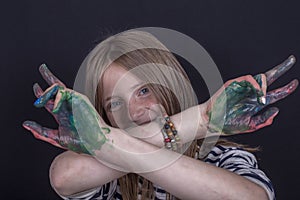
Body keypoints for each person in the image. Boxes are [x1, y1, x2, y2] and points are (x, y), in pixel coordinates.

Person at [23, 30, 298, 200]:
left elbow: (251, 198)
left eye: (143, 91)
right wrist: (197, 121)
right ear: (103, 117)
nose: (134, 111)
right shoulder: (107, 178)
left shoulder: (224, 159)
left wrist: (115, 142)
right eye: (115, 104)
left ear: (170, 85)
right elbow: (64, 176)